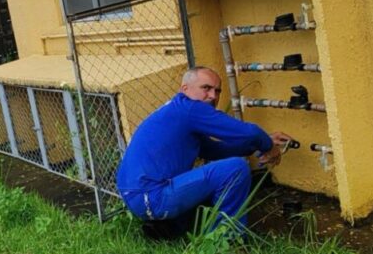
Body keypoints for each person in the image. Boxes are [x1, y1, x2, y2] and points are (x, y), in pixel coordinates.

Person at [116, 66, 292, 236]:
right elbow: (250, 132)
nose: (213, 96)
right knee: (236, 169)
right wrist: (268, 147)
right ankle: (226, 239)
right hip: (152, 196)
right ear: (185, 89)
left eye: (217, 91)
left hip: (138, 198)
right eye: (206, 88)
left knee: (218, 173)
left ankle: (172, 226)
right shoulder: (191, 108)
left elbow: (213, 150)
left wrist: (259, 144)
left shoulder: (179, 110)